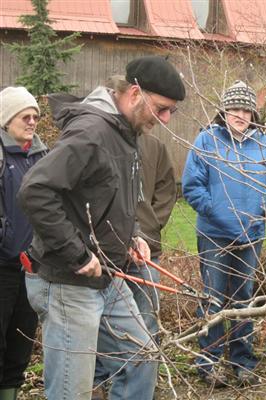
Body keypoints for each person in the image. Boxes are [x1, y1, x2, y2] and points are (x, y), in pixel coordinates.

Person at [18, 56, 185, 400]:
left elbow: (111, 198)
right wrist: (77, 254)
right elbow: (36, 190)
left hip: (108, 276)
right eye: (162, 108)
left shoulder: (126, 133)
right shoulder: (91, 132)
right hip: (68, 282)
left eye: (172, 111)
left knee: (142, 356)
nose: (166, 119)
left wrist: (132, 234)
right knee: (71, 392)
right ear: (135, 93)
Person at [182, 80, 266, 387]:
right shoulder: (206, 141)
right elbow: (192, 187)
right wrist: (217, 213)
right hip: (215, 235)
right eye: (234, 109)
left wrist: (264, 212)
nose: (240, 114)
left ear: (253, 113)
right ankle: (209, 361)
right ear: (223, 111)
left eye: (246, 109)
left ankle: (242, 360)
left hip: (252, 236)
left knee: (243, 299)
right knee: (214, 298)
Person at [93, 76, 178, 398]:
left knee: (145, 315)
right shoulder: (103, 140)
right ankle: (105, 378)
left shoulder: (155, 147)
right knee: (109, 319)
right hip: (110, 249)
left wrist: (151, 225)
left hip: (146, 246)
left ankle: (144, 377)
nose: (161, 119)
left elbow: (166, 190)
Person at [0, 87, 47, 400]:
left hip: (32, 266)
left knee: (21, 339)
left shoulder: (43, 156)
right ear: (6, 120)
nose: (32, 122)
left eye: (35, 117)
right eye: (24, 116)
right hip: (2, 265)